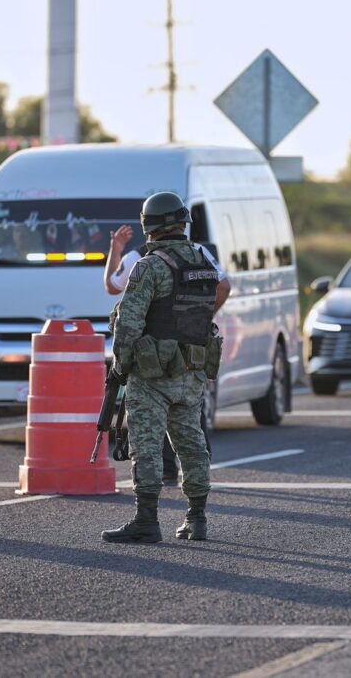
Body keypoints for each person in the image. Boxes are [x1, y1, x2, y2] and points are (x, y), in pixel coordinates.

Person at [102, 192, 229, 544]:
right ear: (182, 222)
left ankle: (146, 519)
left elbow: (127, 324)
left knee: (146, 443)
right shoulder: (203, 261)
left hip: (152, 374)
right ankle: (197, 517)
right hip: (192, 369)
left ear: (149, 227)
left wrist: (119, 367)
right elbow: (216, 297)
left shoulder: (150, 265)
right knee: (191, 443)